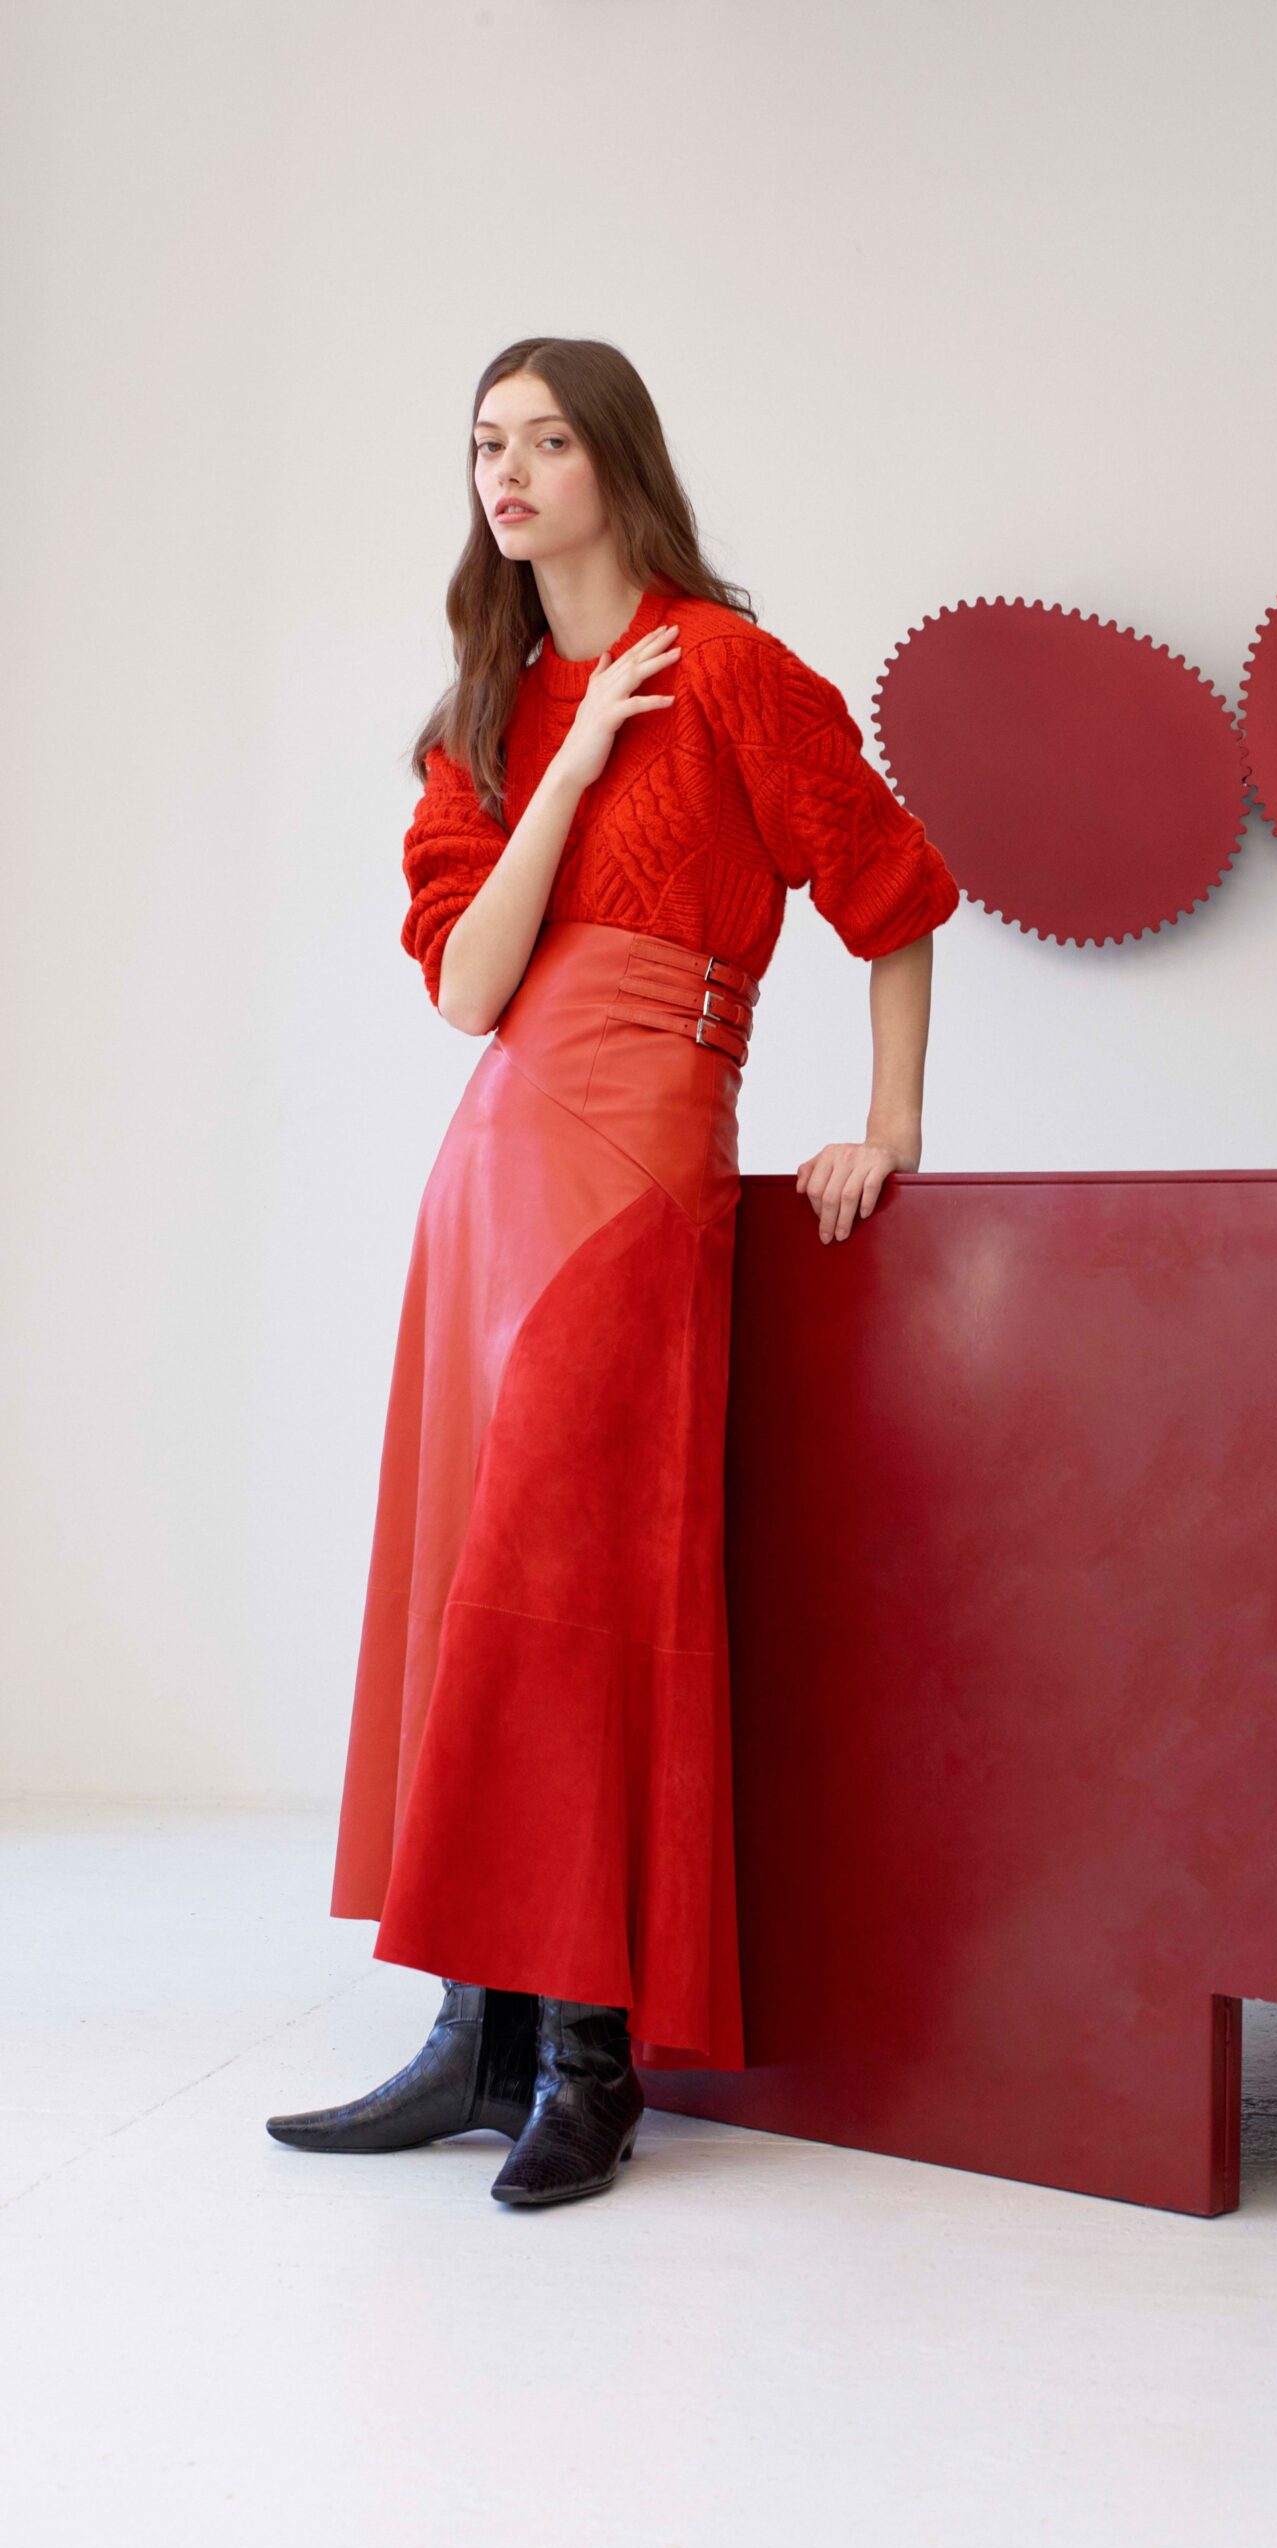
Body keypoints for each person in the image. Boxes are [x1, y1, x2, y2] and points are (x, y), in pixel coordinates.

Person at [265, 337, 961, 2207]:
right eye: (484, 444)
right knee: (469, 1588)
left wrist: (889, 1126)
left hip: (648, 1159)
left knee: (587, 1592)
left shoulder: (732, 671)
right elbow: (470, 991)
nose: (508, 471)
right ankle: (471, 2038)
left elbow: (891, 889)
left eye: (546, 438)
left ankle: (592, 2058)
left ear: (616, 460)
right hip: (490, 1170)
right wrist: (570, 756)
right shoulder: (481, 716)